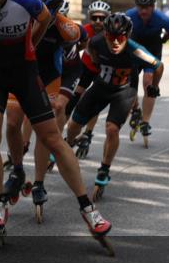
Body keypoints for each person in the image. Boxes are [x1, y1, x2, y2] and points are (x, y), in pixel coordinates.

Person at [0, 0, 112, 251]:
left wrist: (30, 44)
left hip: (26, 74)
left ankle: (88, 209)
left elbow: (47, 21)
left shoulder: (27, 3)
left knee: (52, 138)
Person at [1, 0, 82, 223]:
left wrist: (65, 95)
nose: (43, 13)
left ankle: (38, 182)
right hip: (22, 74)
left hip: (49, 79)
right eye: (39, 7)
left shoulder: (66, 29)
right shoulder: (19, 18)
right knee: (12, 122)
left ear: (58, 10)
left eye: (50, 10)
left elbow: (75, 66)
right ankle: (17, 169)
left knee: (46, 131)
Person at [66, 12, 163, 200]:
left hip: (124, 92)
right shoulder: (96, 42)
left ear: (128, 36)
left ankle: (104, 169)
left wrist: (154, 86)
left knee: (112, 129)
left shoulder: (136, 50)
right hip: (101, 87)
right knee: (74, 125)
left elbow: (158, 65)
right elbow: (91, 53)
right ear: (105, 34)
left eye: (121, 38)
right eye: (111, 37)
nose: (116, 42)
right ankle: (68, 143)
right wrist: (96, 65)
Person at [126, 0, 169, 145]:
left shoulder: (163, 19)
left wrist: (163, 40)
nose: (143, 11)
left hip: (152, 53)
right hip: (135, 52)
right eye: (140, 7)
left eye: (147, 7)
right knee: (129, 85)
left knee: (149, 84)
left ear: (153, 7)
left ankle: (145, 122)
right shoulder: (129, 16)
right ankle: (135, 109)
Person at [67, 0, 111, 158]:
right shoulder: (84, 30)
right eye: (94, 18)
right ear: (89, 18)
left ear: (107, 18)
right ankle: (63, 133)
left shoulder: (111, 32)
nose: (98, 21)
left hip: (102, 70)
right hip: (85, 68)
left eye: (102, 18)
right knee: (73, 99)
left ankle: (88, 133)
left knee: (94, 101)